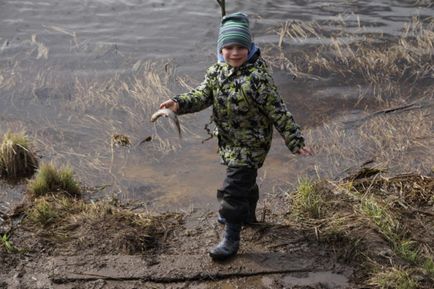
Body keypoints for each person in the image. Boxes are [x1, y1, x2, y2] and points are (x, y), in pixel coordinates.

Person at [158, 12, 313, 261]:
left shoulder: (258, 78)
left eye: (241, 47)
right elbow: (201, 96)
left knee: (232, 190)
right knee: (245, 183)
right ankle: (248, 215)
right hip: (229, 141)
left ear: (250, 47)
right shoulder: (216, 73)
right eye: (228, 47)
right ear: (221, 50)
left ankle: (231, 236)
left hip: (252, 144)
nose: (235, 53)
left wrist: (295, 140)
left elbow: (279, 110)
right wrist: (177, 103)